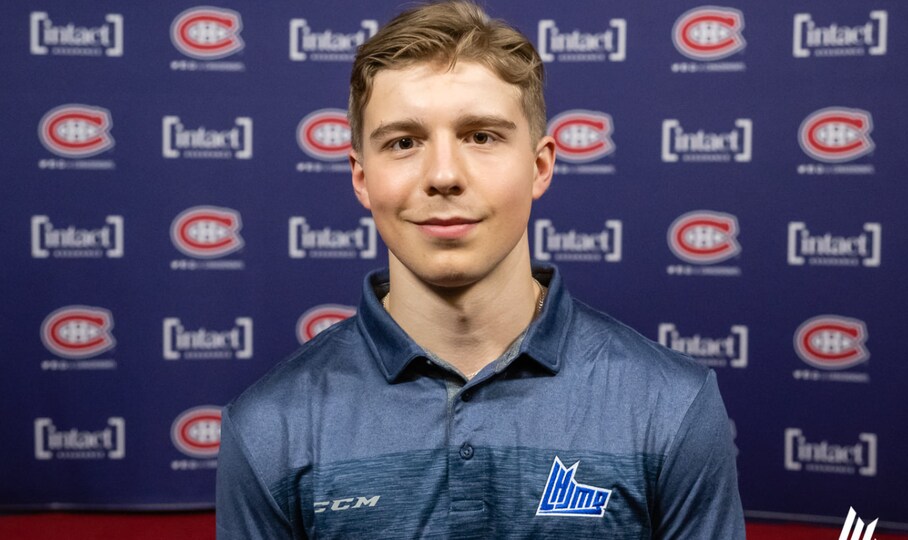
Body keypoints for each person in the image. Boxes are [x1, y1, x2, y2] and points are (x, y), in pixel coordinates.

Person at [216, 2, 745, 538]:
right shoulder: (270, 427)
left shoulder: (670, 404)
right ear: (361, 178)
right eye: (404, 143)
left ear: (539, 166)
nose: (444, 175)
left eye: (481, 136)